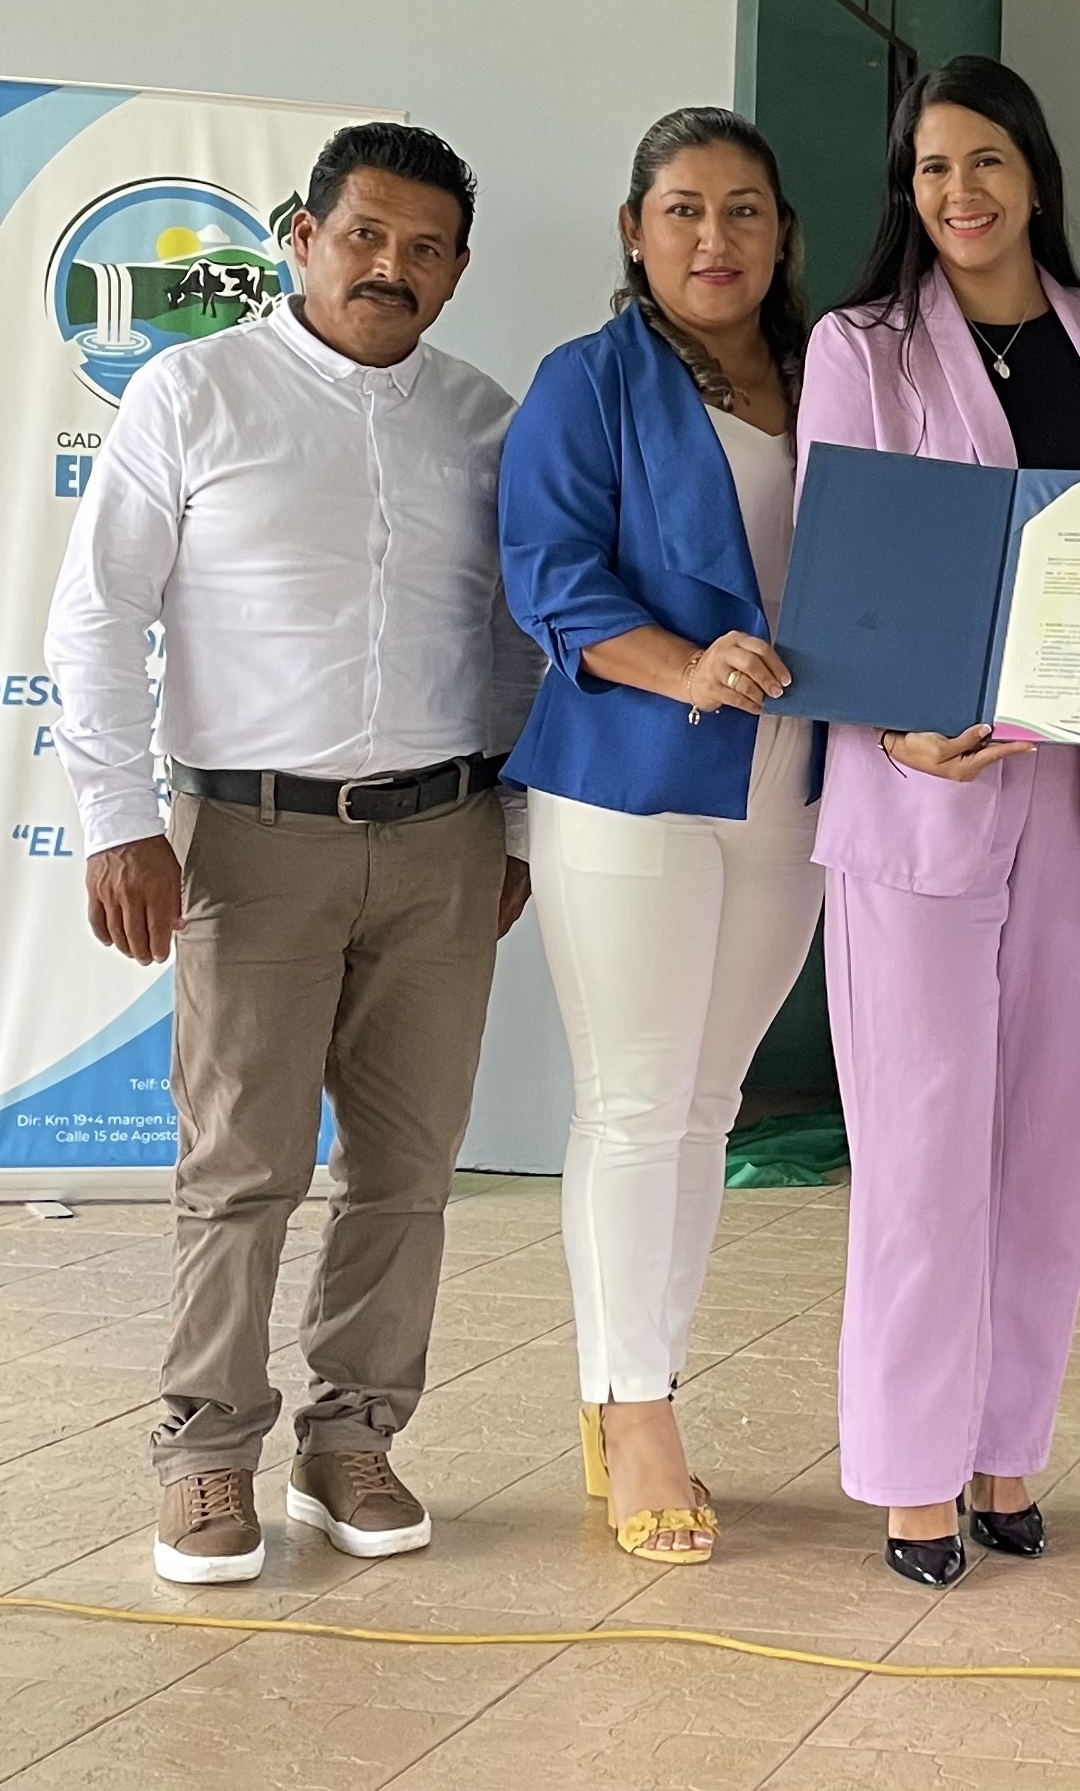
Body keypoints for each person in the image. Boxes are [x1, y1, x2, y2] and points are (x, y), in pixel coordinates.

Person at [48, 120, 539, 1587]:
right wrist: (118, 820)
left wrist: (512, 829)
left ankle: (351, 1439)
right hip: (249, 840)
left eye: (426, 248)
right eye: (366, 235)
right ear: (305, 239)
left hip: (444, 837)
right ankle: (206, 1455)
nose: (392, 267)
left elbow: (517, 640)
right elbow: (96, 612)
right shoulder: (194, 394)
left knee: (408, 1168)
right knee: (242, 1168)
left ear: (457, 272)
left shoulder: (486, 421)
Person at [796, 54, 1080, 1588]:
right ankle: (910, 1474)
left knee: (1047, 1145)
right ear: (910, 188)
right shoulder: (861, 346)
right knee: (920, 1146)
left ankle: (1009, 1448)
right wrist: (890, 719)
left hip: (1078, 798)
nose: (963, 192)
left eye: (988, 161)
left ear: (1035, 175)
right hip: (920, 794)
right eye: (935, 168)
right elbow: (839, 554)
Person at [498, 108, 824, 1566]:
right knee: (635, 1102)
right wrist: (684, 666)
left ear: (781, 233)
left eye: (744, 208)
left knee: (707, 1105)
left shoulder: (833, 376)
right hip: (632, 775)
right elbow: (548, 575)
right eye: (683, 208)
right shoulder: (590, 381)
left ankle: (637, 1377)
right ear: (635, 231)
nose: (715, 237)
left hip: (793, 783)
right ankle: (637, 1417)